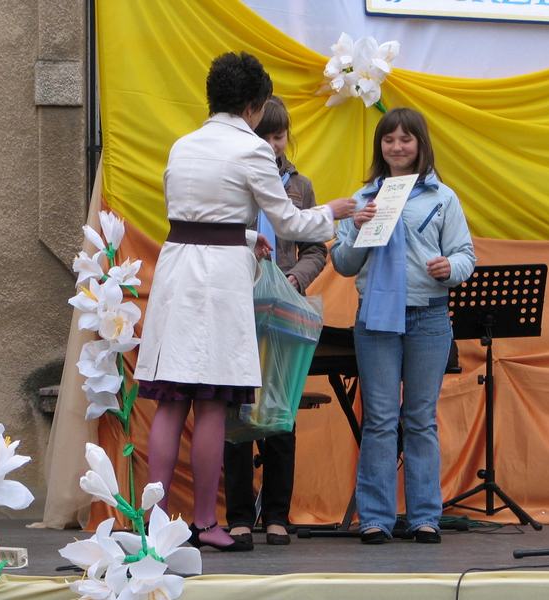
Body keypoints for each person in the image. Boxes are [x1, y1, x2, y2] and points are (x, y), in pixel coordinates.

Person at [134, 52, 355, 552]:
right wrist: (333, 211)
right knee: (212, 402)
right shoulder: (252, 149)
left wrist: (246, 236)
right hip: (217, 282)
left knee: (171, 401)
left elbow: (194, 216)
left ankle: (153, 523)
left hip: (176, 272)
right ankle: (205, 522)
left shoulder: (183, 146)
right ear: (254, 106)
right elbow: (291, 221)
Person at [330, 108, 475, 545]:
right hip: (376, 318)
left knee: (420, 418)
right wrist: (358, 229)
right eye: (388, 139)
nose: (396, 146)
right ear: (380, 146)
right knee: (379, 418)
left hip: (429, 315)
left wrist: (450, 267)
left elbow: (465, 256)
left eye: (405, 139)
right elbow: (343, 264)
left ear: (420, 144)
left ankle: (425, 517)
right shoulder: (362, 200)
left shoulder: (442, 198)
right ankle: (375, 518)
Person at [223, 96, 327, 549]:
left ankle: (278, 514)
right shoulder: (232, 179)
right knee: (237, 412)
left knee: (280, 412)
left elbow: (317, 248)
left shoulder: (300, 187)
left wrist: (294, 278)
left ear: (287, 137)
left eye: (278, 135)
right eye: (262, 135)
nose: (270, 144)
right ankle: (239, 514)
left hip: (282, 313)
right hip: (237, 309)